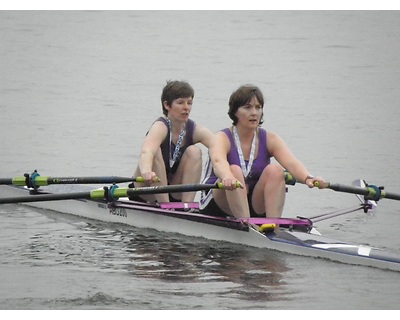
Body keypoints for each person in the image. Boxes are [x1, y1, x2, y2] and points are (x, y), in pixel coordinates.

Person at [200, 84, 327, 218]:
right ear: (235, 112)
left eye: (258, 107)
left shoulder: (270, 139)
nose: (254, 113)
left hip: (254, 202)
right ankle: (247, 226)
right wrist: (227, 176)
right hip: (219, 202)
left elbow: (291, 163)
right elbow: (218, 161)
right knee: (235, 170)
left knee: (276, 171)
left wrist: (309, 178)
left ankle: (273, 228)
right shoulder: (221, 138)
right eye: (248, 107)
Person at [132, 80, 214, 204]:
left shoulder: (194, 129)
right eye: (180, 103)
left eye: (189, 103)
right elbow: (147, 152)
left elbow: (221, 147)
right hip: (147, 190)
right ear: (167, 105)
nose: (186, 107)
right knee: (156, 151)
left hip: (174, 190)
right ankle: (165, 205)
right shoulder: (160, 127)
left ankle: (186, 206)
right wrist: (146, 171)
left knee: (195, 151)